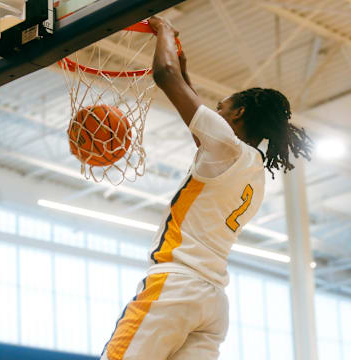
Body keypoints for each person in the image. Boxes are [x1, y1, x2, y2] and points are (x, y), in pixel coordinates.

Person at [101, 15, 312, 360]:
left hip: (176, 286)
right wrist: (185, 70)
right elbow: (203, 126)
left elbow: (163, 75)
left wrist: (164, 31)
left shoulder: (224, 147)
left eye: (220, 108)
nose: (214, 112)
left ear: (238, 113)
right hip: (212, 303)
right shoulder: (254, 170)